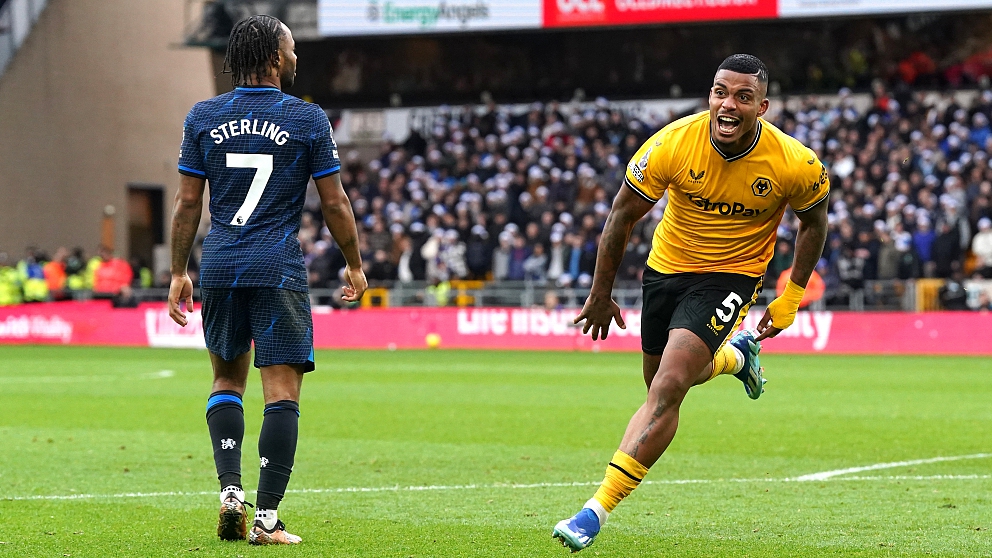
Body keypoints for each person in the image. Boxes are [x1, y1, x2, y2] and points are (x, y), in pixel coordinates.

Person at [553, 54, 829, 552]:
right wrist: (599, 293)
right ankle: (737, 356)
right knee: (663, 379)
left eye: (744, 97)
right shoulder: (673, 143)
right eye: (721, 92)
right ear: (710, 96)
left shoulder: (796, 163)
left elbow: (814, 223)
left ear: (762, 107)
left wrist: (791, 295)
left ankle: (594, 510)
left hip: (731, 276)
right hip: (666, 270)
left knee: (669, 386)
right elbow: (621, 216)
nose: (729, 104)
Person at [168, 15, 366, 546]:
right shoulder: (306, 119)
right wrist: (354, 262)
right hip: (275, 266)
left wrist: (177, 271)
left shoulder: (203, 115)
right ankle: (267, 519)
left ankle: (230, 490)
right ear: (276, 59)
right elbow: (334, 202)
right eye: (293, 47)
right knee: (282, 391)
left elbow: (189, 203)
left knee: (225, 381)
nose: (297, 55)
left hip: (220, 263)